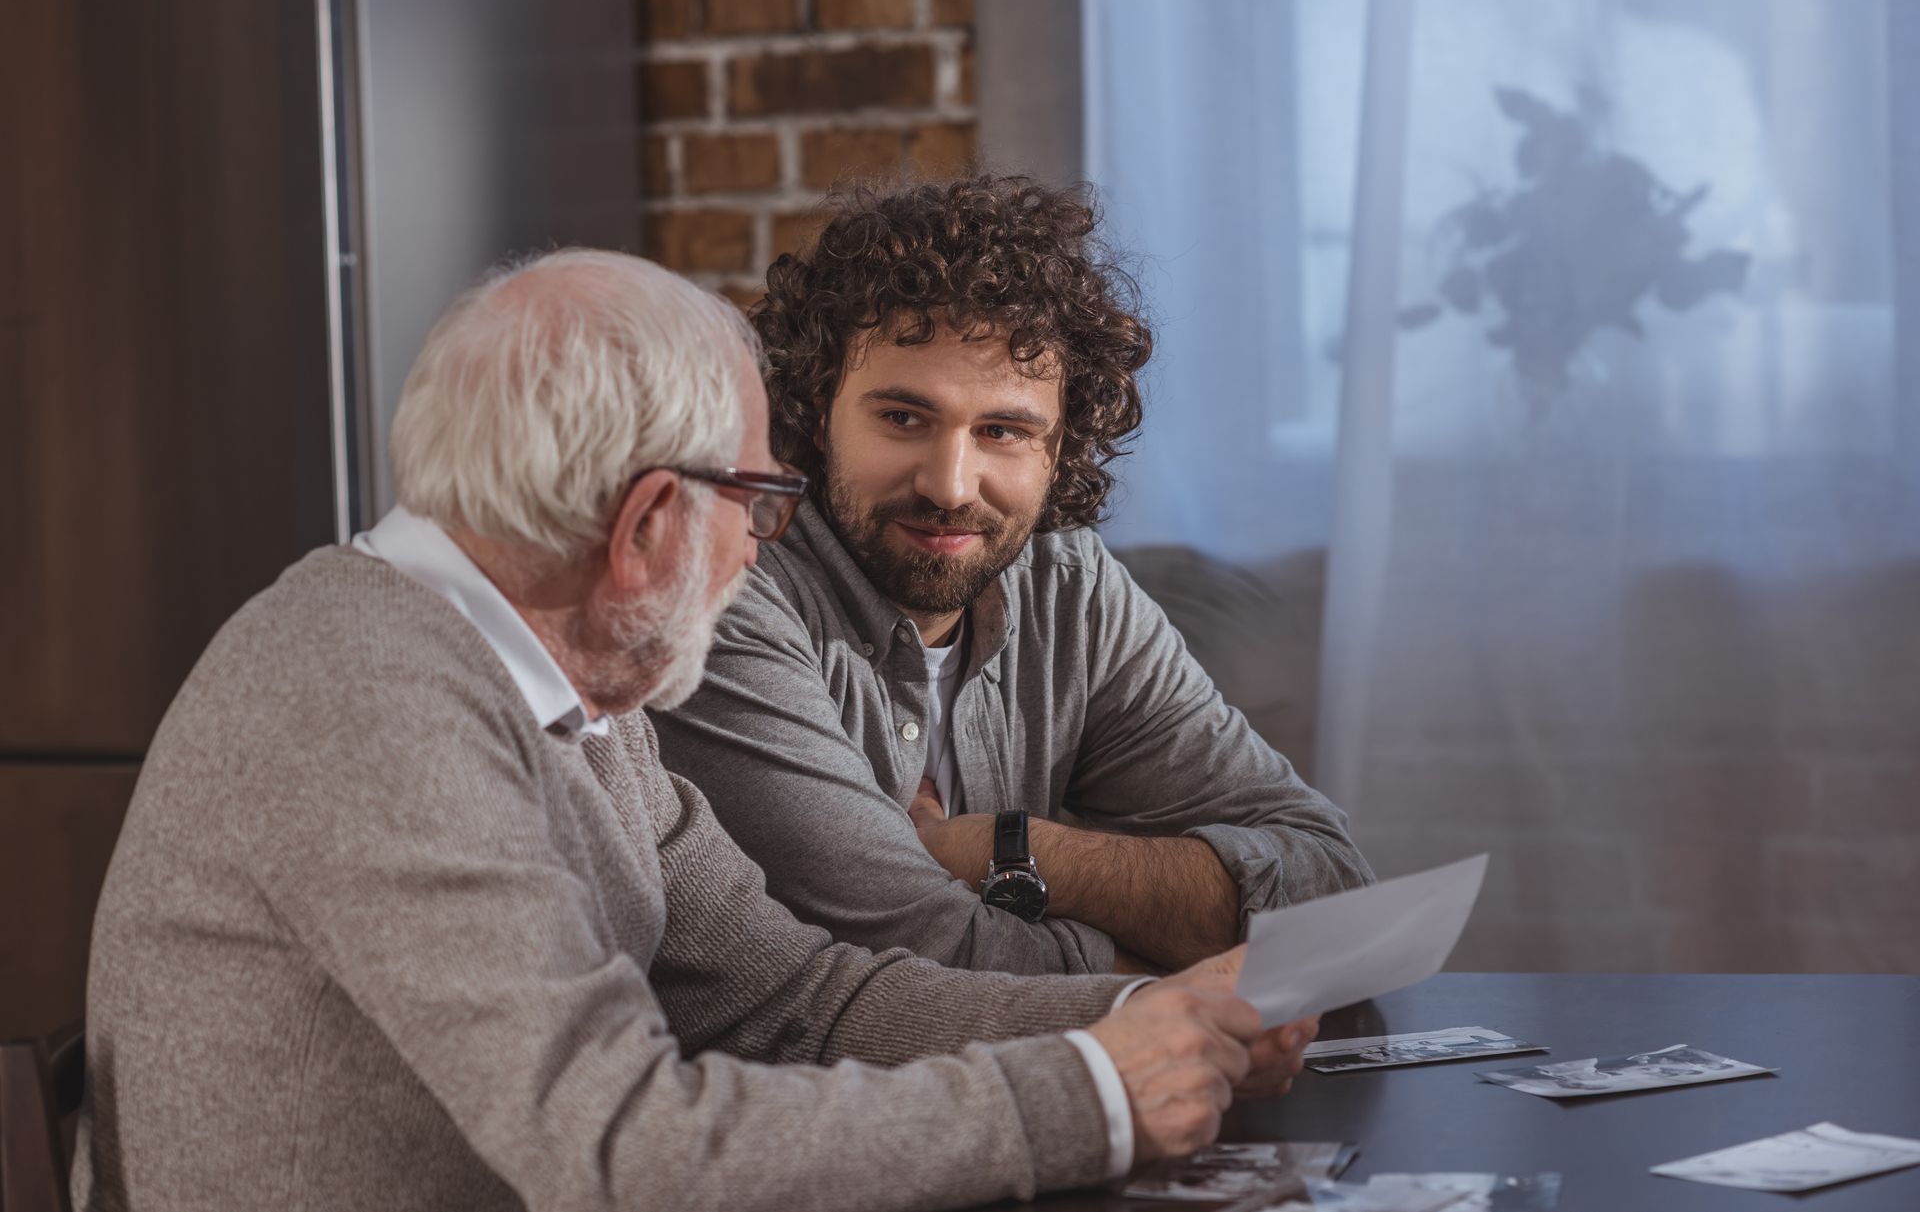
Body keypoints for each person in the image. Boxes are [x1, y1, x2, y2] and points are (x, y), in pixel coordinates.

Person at [71, 250, 1315, 1212]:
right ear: (652, 523)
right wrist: (1093, 1093)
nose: (761, 547)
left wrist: (1149, 1017)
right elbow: (620, 1149)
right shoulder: (364, 698)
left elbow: (797, 1000)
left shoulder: (576, 702)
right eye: (765, 498)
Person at [651, 177, 1375, 976]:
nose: (950, 484)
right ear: (818, 408)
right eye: (903, 418)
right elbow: (918, 965)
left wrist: (1012, 850)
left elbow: (1336, 901)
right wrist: (1175, 962)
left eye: (1002, 430)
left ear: (1059, 446)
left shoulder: (1071, 590)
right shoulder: (733, 591)